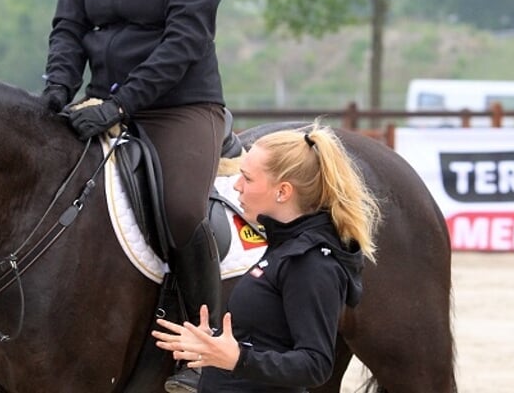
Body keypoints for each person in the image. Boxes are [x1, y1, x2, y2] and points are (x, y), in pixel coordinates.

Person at [39, 0, 229, 393]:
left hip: (181, 106)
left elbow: (184, 42)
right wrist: (54, 92)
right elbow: (69, 27)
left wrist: (120, 104)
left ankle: (201, 349)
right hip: (101, 102)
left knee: (178, 209)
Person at [151, 123, 380, 392]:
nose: (236, 186)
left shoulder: (310, 263)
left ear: (282, 192)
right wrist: (213, 343)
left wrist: (237, 359)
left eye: (247, 179)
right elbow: (266, 338)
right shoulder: (283, 246)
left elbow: (315, 364)